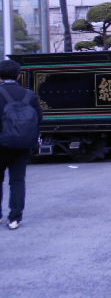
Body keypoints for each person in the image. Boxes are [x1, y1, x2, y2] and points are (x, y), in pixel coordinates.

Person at [0, 59, 43, 230]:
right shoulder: (29, 95)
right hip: (22, 144)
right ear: (18, 76)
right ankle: (15, 218)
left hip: (1, 144)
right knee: (17, 181)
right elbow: (39, 119)